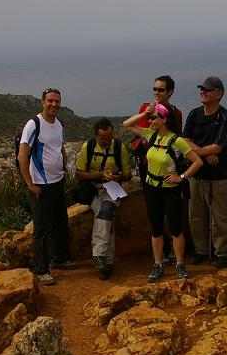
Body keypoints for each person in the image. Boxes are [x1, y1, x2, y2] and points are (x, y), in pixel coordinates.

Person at [123, 103, 203, 282]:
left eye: (154, 118)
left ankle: (180, 265)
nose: (150, 121)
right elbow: (126, 124)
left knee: (175, 228)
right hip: (151, 187)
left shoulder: (177, 141)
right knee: (156, 228)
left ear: (164, 120)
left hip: (170, 189)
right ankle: (158, 264)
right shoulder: (150, 135)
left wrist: (181, 176)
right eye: (150, 119)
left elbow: (197, 162)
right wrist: (145, 112)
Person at [17, 87, 77, 285]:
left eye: (57, 101)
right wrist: (30, 184)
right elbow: (22, 155)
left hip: (57, 182)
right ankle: (41, 269)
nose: (54, 104)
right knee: (41, 228)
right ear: (43, 102)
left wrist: (64, 171)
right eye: (50, 101)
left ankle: (60, 258)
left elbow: (59, 148)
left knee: (60, 222)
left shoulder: (59, 124)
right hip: (40, 185)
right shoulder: (34, 124)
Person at [182, 76, 227, 268]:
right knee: (195, 215)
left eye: (208, 90)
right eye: (202, 89)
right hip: (197, 173)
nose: (203, 92)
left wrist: (199, 152)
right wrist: (205, 154)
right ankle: (200, 250)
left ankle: (222, 252)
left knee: (219, 215)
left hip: (218, 174)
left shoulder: (225, 117)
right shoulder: (194, 114)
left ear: (219, 94)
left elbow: (219, 147)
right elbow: (184, 141)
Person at [131, 76, 184, 263]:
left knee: (172, 212)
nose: (156, 92)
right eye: (154, 89)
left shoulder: (176, 113)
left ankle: (173, 250)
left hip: (168, 170)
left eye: (161, 89)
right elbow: (138, 133)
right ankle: (159, 253)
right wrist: (146, 114)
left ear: (170, 92)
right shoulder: (145, 109)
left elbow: (177, 138)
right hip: (149, 167)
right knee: (155, 211)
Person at [74, 118, 131, 280]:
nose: (107, 141)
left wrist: (117, 175)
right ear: (95, 136)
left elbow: (128, 174)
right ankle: (107, 263)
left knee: (106, 210)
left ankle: (98, 254)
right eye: (103, 139)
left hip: (113, 188)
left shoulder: (120, 147)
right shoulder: (88, 147)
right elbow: (78, 173)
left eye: (109, 138)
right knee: (106, 218)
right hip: (93, 189)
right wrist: (99, 175)